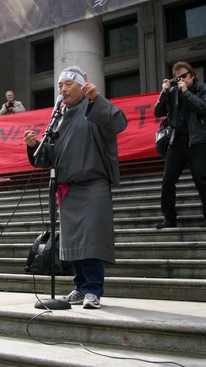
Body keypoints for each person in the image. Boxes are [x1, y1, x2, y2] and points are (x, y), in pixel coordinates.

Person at [23, 66, 128, 309]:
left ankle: (93, 289)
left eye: (68, 84)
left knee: (91, 239)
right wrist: (34, 146)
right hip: (68, 189)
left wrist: (95, 99)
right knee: (74, 243)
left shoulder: (93, 109)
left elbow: (118, 122)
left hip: (93, 185)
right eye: (60, 85)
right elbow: (50, 156)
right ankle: (80, 287)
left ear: (82, 86)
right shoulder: (59, 118)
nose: (62, 89)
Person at [154, 61, 206, 229]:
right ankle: (169, 218)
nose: (180, 80)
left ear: (192, 76)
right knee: (168, 180)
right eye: (177, 78)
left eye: (183, 77)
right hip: (176, 141)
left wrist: (185, 92)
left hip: (197, 141)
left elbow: (203, 107)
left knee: (200, 179)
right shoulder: (173, 92)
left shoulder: (204, 89)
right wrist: (164, 93)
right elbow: (158, 113)